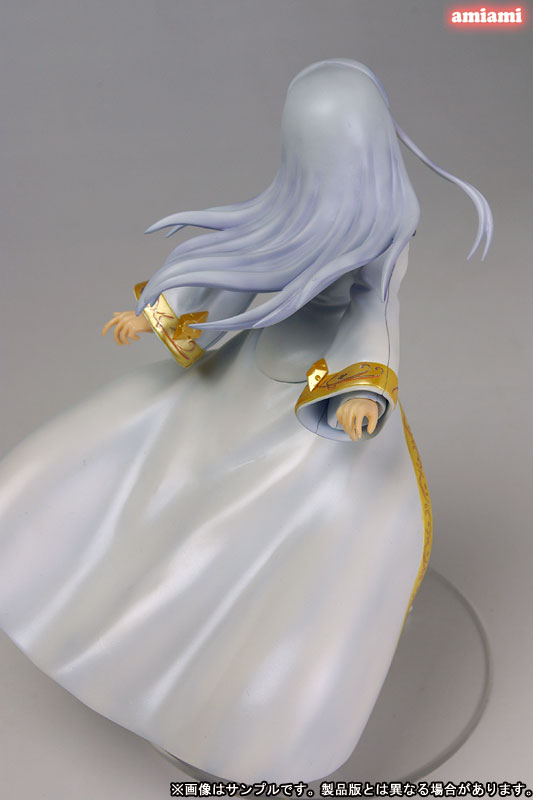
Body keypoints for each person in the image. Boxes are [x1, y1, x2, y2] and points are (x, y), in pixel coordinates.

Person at [0, 59, 492, 782]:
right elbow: (238, 271)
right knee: (160, 480)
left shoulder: (386, 228)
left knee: (304, 535)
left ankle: (227, 699)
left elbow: (373, 312)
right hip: (245, 374)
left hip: (315, 397)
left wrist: (360, 390)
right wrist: (159, 316)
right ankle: (115, 631)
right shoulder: (290, 213)